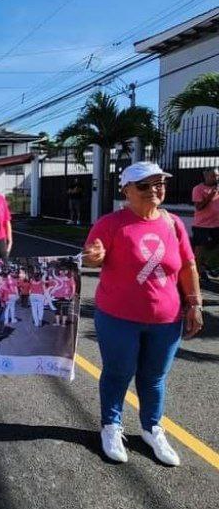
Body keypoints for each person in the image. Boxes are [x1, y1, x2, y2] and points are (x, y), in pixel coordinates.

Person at [83, 161, 203, 466]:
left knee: (153, 378)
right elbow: (92, 257)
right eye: (144, 185)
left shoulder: (174, 223)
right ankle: (111, 426)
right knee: (118, 373)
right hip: (118, 318)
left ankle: (152, 429)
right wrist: (94, 256)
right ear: (127, 190)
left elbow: (188, 266)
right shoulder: (111, 223)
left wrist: (195, 303)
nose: (154, 190)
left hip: (166, 320)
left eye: (159, 183)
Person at [190, 168, 219, 278]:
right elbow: (199, 207)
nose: (216, 178)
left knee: (214, 248)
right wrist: (210, 196)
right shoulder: (198, 189)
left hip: (216, 224)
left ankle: (205, 265)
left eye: (217, 176)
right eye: (213, 176)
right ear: (205, 175)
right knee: (199, 250)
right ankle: (195, 274)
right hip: (202, 225)